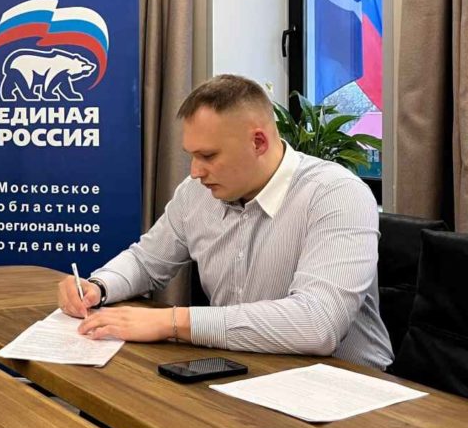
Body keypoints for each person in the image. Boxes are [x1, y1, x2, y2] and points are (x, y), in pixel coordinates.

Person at [58, 74, 393, 370]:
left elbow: (318, 324)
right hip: (242, 372)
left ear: (258, 142)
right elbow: (146, 261)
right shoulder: (196, 193)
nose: (195, 171)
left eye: (208, 156)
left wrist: (172, 321)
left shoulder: (337, 194)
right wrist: (98, 287)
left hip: (349, 391)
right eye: (192, 155)